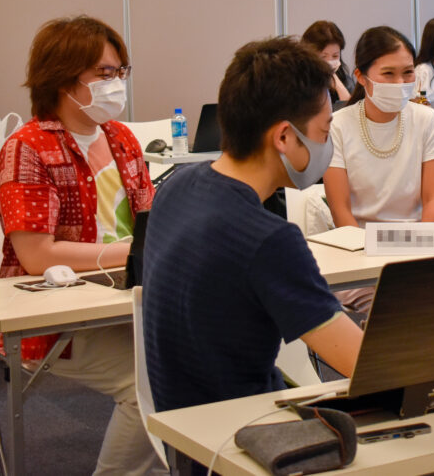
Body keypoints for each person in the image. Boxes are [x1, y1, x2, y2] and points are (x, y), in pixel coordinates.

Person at [143, 38, 363, 434]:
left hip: (184, 431)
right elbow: (362, 362)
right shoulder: (268, 239)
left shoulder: (175, 188)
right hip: (247, 436)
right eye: (325, 130)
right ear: (284, 137)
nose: (328, 144)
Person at [0, 14, 165, 475]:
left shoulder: (121, 138)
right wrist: (132, 252)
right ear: (64, 78)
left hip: (129, 297)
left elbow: (150, 222)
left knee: (207, 353)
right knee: (151, 381)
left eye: (120, 71)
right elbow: (37, 256)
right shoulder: (28, 147)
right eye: (104, 73)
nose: (117, 83)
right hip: (59, 318)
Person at [323, 26, 434, 229]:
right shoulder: (337, 126)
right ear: (361, 77)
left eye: (408, 72)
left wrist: (425, 242)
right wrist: (361, 247)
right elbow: (341, 211)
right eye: (388, 73)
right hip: (358, 239)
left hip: (416, 238)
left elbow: (433, 201)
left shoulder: (426, 119)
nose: (400, 83)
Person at [301, 19, 353, 104]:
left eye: (335, 56)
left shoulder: (346, 81)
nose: (329, 62)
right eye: (323, 56)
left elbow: (351, 109)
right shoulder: (297, 82)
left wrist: (338, 85)